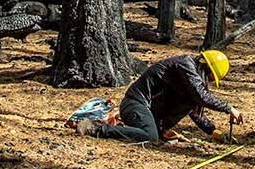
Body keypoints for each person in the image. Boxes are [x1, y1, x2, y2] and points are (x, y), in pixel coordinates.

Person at [78, 50, 243, 143]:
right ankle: (98, 128)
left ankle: (153, 128)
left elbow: (194, 110)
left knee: (154, 135)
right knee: (150, 137)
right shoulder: (185, 65)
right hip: (135, 104)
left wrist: (215, 132)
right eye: (211, 78)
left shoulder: (189, 80)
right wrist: (229, 108)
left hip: (146, 112)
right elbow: (201, 96)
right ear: (205, 68)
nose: (209, 82)